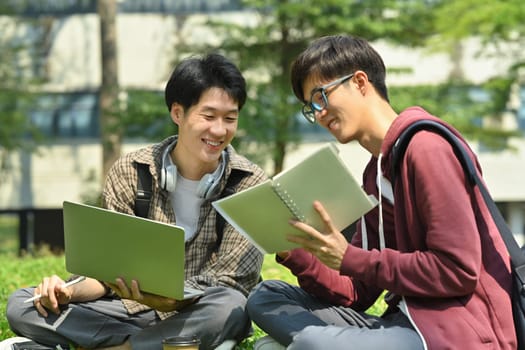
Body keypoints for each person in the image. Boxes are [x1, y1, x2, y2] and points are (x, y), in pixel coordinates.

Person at [246, 34, 516, 350]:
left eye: (321, 96)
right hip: (402, 320)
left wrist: (351, 257)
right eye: (310, 107)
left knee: (310, 342)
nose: (319, 114)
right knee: (267, 297)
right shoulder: (375, 172)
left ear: (360, 82)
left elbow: (457, 271)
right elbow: (357, 290)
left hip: (456, 331)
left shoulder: (426, 147)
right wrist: (292, 247)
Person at [3, 53, 267, 350]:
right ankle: (147, 346)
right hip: (125, 312)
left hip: (197, 313)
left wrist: (168, 300)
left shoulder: (250, 183)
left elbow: (231, 285)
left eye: (230, 119)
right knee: (22, 304)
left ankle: (118, 348)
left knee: (232, 307)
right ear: (178, 113)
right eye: (208, 116)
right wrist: (66, 292)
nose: (220, 131)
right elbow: (104, 271)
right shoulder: (131, 171)